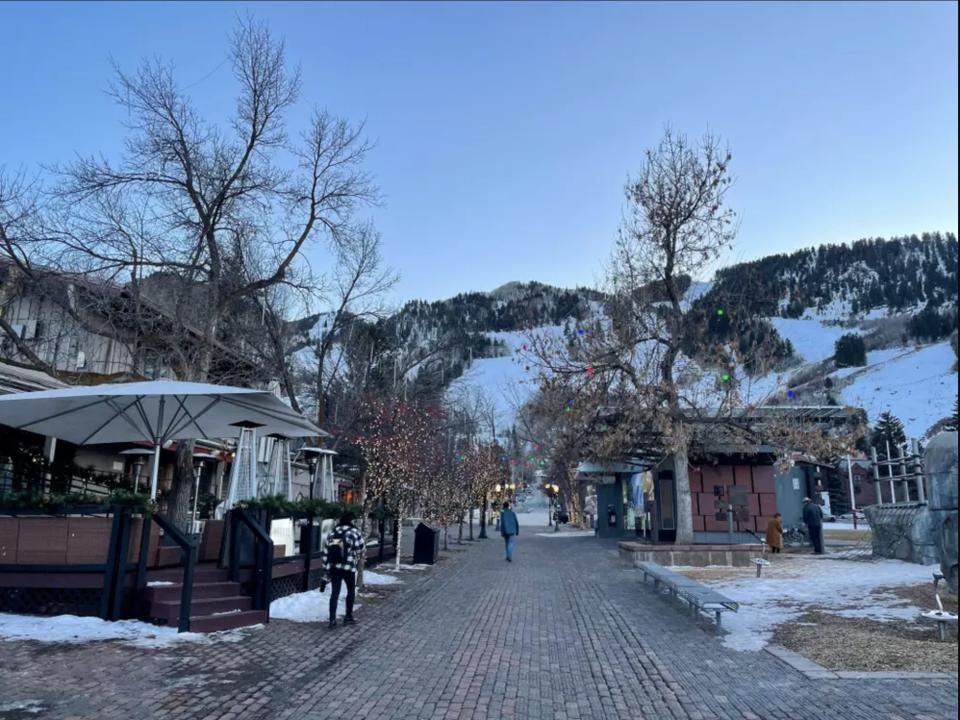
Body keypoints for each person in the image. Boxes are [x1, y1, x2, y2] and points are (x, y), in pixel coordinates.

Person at [321, 512, 365, 628]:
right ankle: (348, 617)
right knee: (351, 591)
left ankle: (332, 620)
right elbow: (361, 547)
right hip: (349, 567)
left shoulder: (332, 533)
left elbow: (326, 552)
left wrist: (326, 568)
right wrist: (356, 556)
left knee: (334, 593)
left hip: (335, 567)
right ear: (351, 521)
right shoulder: (354, 532)